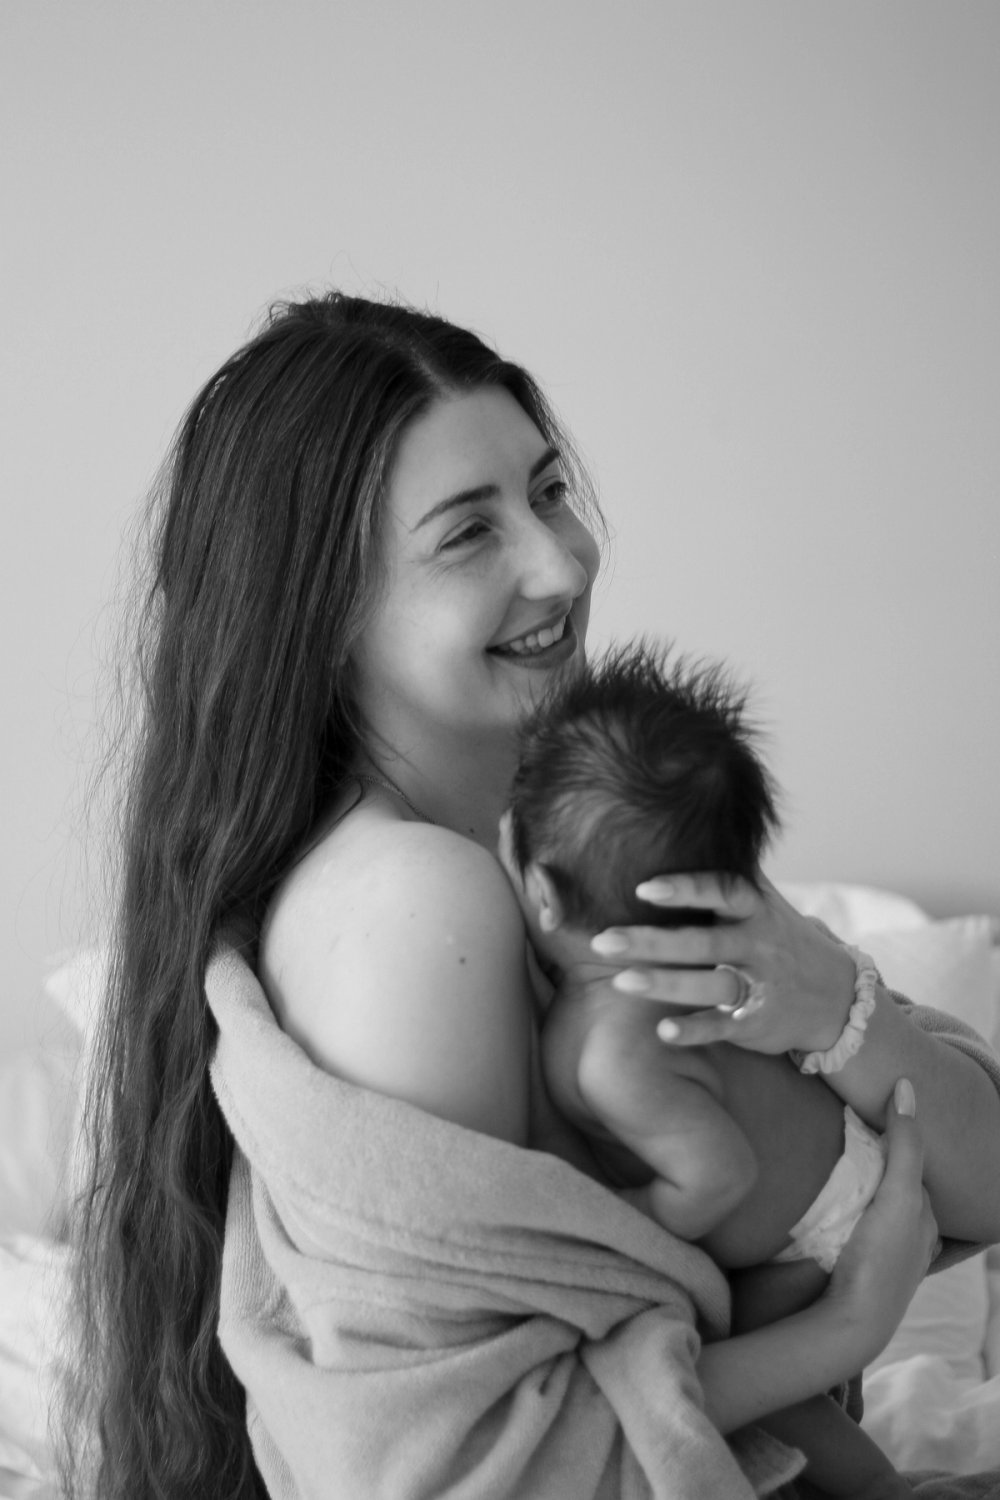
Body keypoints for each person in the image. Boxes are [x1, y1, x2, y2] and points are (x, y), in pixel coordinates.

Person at [62, 291, 1000, 1500]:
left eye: (549, 491)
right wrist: (841, 1331)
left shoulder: (579, 818)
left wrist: (835, 1005)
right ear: (319, 609)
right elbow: (474, 1467)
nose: (562, 563)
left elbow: (968, 1175)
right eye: (467, 533)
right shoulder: (420, 910)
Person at [499, 637, 915, 1496]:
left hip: (827, 1214)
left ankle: (881, 1488)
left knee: (754, 1373)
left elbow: (720, 1174)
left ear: (540, 893)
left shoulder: (612, 1051)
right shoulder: (641, 997)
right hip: (828, 1170)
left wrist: (627, 1218)